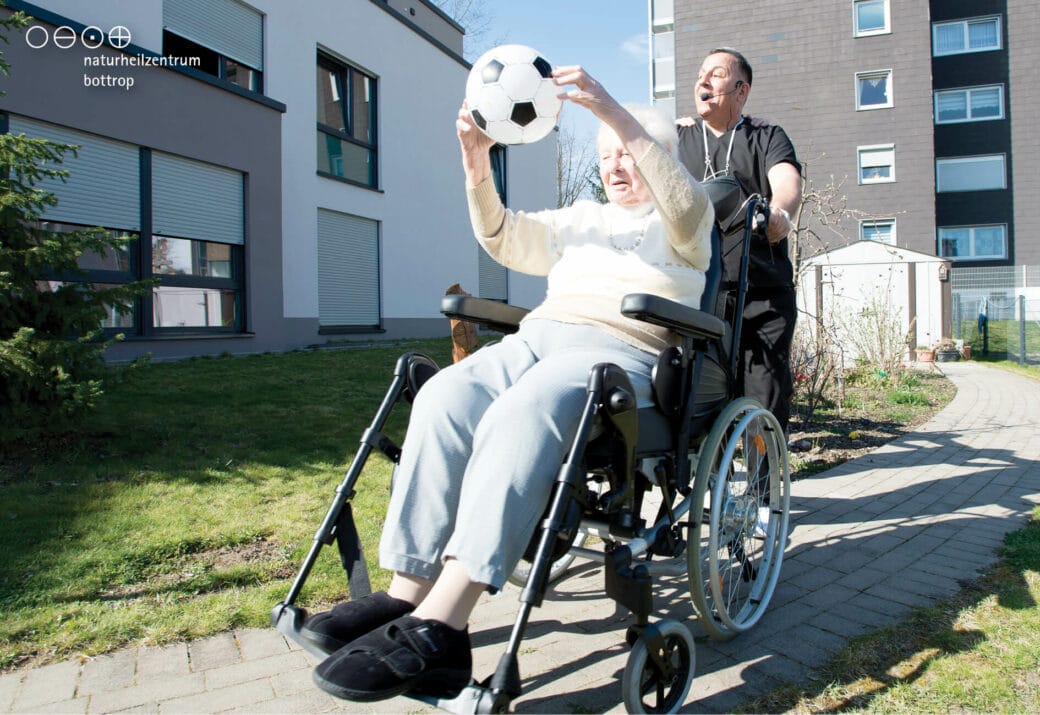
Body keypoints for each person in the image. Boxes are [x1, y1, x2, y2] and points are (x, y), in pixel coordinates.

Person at [305, 66, 715, 703]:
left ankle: (445, 624)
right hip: (535, 340)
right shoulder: (581, 218)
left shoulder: (686, 227)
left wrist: (613, 113)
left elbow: (683, 201)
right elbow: (502, 238)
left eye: (627, 152)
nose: (614, 163)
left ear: (656, 156)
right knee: (444, 396)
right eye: (604, 155)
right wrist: (476, 166)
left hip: (620, 356)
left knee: (528, 406)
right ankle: (405, 593)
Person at [676, 47, 802, 434]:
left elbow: (787, 181)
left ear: (741, 90)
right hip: (699, 292)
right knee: (697, 392)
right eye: (700, 73)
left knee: (762, 392)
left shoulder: (765, 135)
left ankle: (764, 484)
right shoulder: (678, 138)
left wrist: (780, 212)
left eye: (715, 73)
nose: (703, 80)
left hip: (762, 289)